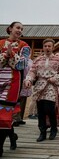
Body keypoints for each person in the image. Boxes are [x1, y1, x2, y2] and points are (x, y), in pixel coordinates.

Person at [24, 38, 59, 142]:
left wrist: (55, 79)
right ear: (43, 47)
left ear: (53, 47)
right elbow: (32, 71)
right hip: (39, 86)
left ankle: (53, 128)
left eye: (49, 46)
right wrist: (29, 80)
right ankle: (42, 132)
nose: (47, 48)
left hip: (51, 85)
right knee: (41, 110)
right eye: (45, 46)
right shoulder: (38, 59)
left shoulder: (58, 60)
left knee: (50, 108)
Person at [0, 22, 30, 157]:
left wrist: (11, 55)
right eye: (18, 27)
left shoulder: (25, 46)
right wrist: (6, 55)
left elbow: (21, 65)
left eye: (22, 29)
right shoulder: (0, 43)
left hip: (13, 83)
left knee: (5, 114)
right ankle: (12, 136)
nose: (20, 30)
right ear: (10, 28)